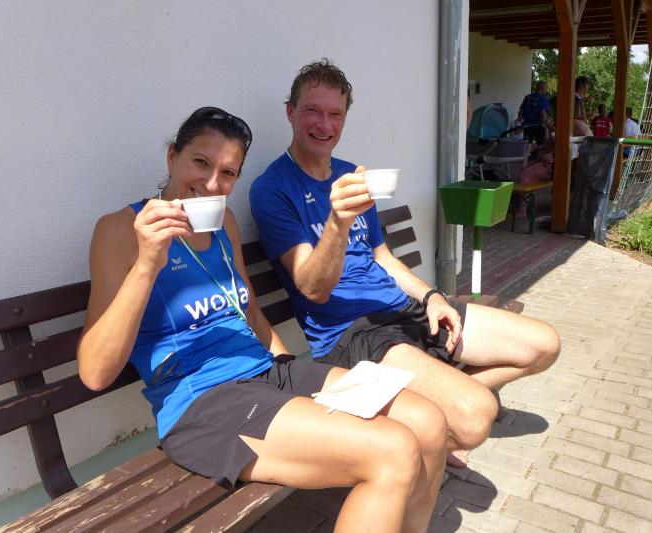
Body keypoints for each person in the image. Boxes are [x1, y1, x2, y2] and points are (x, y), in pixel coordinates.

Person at [77, 106, 449, 532]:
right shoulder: (120, 230)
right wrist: (147, 265)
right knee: (393, 450)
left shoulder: (223, 222)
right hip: (203, 402)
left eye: (228, 173)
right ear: (172, 157)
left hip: (267, 373)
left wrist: (294, 376)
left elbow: (250, 312)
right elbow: (94, 372)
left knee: (429, 423)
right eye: (200, 162)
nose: (212, 184)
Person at [250, 59, 561, 467]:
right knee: (475, 420)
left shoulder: (351, 174)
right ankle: (444, 416)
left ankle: (440, 408)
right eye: (313, 110)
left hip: (402, 309)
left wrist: (433, 297)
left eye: (335, 114)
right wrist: (338, 223)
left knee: (544, 345)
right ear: (291, 112)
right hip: (352, 333)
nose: (324, 124)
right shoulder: (272, 189)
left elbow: (383, 258)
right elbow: (312, 288)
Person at [518, 80, 550, 144]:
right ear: (542, 88)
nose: (547, 90)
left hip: (527, 126)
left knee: (527, 145)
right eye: (546, 88)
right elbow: (543, 115)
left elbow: (520, 112)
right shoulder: (543, 99)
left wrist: (520, 123)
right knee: (540, 146)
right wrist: (546, 129)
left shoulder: (527, 97)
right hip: (538, 126)